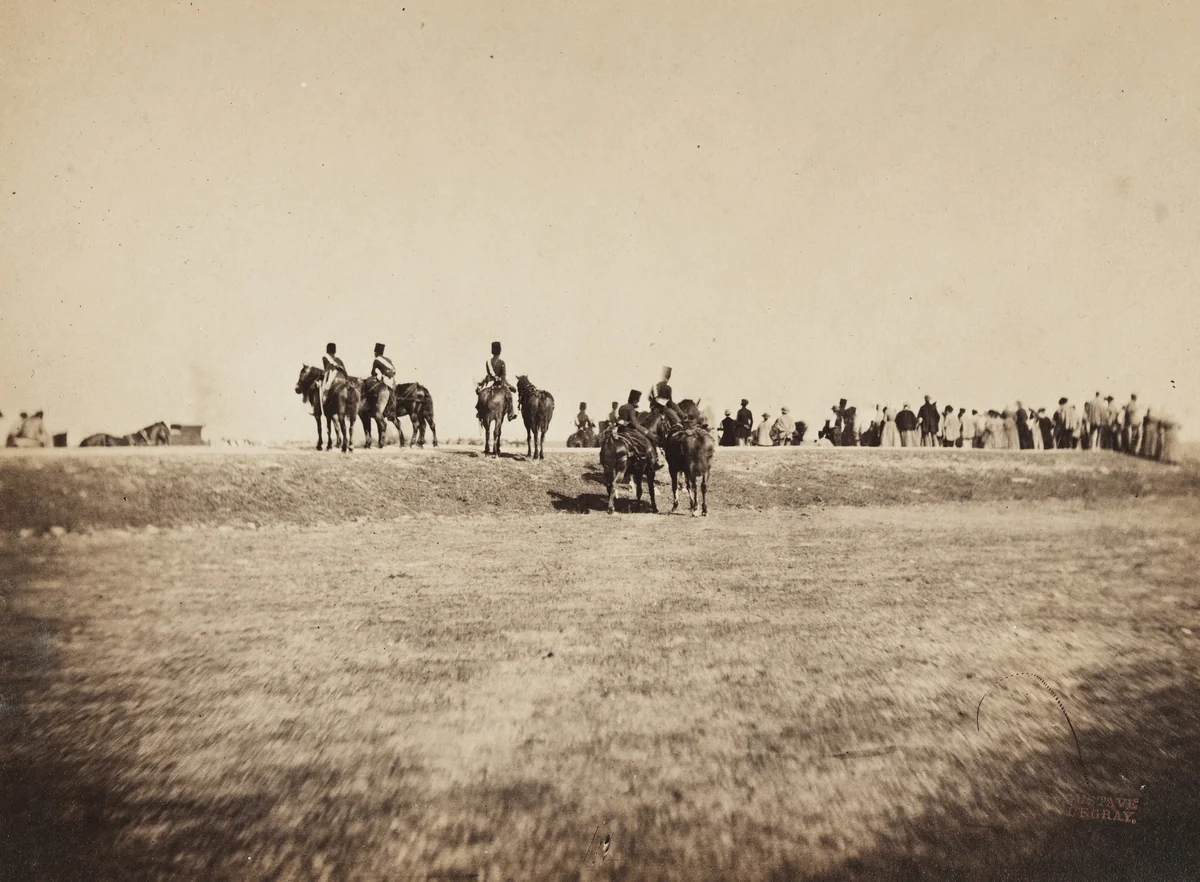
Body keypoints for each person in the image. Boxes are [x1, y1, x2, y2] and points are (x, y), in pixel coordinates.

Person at [616, 390, 659, 467]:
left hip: (620, 430)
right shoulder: (631, 408)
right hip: (629, 430)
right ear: (635, 400)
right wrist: (647, 432)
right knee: (646, 441)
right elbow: (635, 424)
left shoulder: (622, 407)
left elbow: (619, 420)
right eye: (637, 401)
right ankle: (651, 462)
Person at [479, 341, 517, 421]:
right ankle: (510, 414)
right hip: (499, 384)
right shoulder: (502, 362)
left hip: (489, 383)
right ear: (500, 350)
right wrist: (499, 378)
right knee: (509, 395)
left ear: (492, 351)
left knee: (481, 394)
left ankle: (479, 413)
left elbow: (488, 373)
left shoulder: (488, 362)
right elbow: (503, 375)